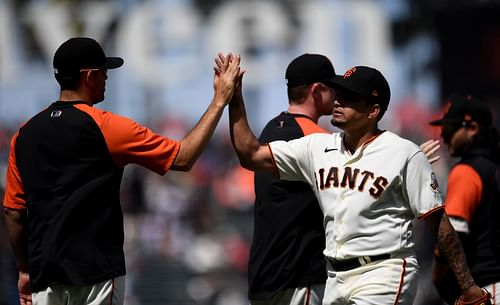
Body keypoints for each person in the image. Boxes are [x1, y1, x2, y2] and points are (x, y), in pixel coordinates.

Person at [225, 58, 486, 304]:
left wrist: (467, 286)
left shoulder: (404, 153)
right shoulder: (317, 146)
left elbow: (438, 222)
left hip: (384, 271)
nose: (338, 102)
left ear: (373, 110)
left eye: (349, 98)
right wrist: (234, 97)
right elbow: (250, 155)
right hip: (335, 278)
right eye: (338, 94)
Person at [2, 37, 240, 305]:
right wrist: (219, 100)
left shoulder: (23, 135)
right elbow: (182, 158)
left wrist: (24, 268)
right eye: (104, 72)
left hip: (45, 274)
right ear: (89, 76)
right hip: (97, 271)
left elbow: (13, 212)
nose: (107, 77)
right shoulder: (107, 127)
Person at [429, 96, 500, 304]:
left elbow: (451, 238)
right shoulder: (494, 166)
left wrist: (439, 280)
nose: (443, 136)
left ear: (472, 128)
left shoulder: (466, 171)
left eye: (450, 129)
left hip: (487, 287)